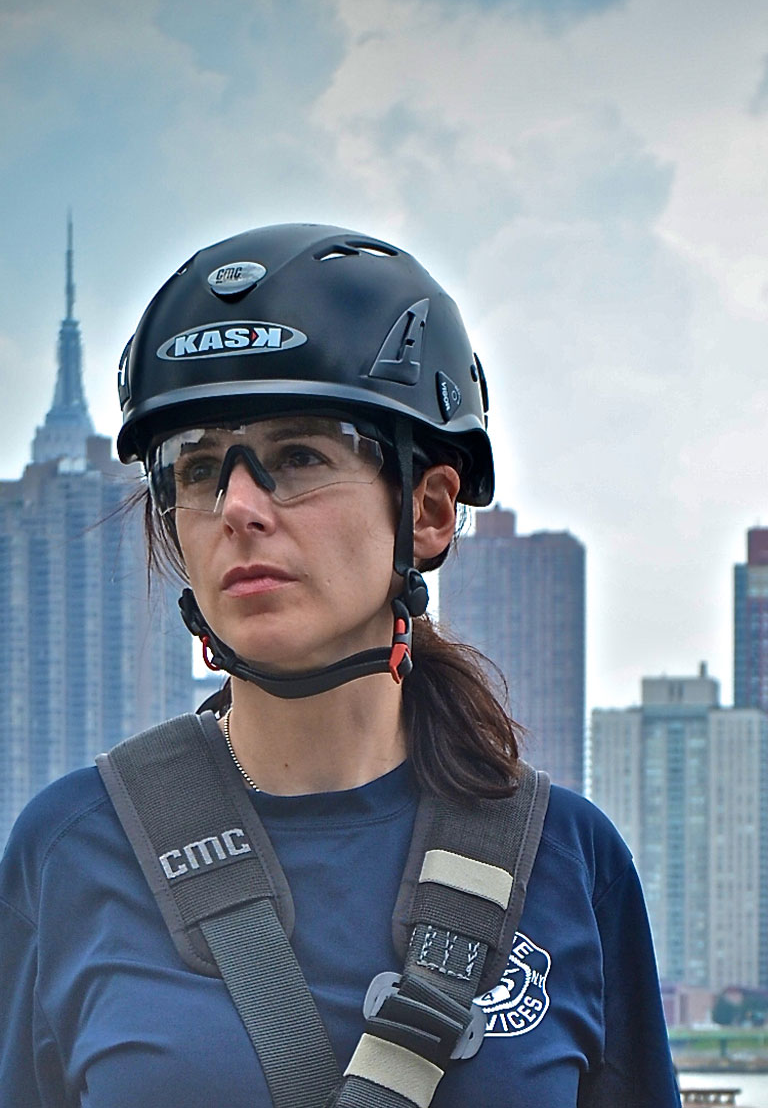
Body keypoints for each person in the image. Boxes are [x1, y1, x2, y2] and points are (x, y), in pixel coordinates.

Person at [0, 223, 681, 1107]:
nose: (239, 505)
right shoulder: (70, 849)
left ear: (429, 512)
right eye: (201, 468)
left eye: (298, 457)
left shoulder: (569, 861)